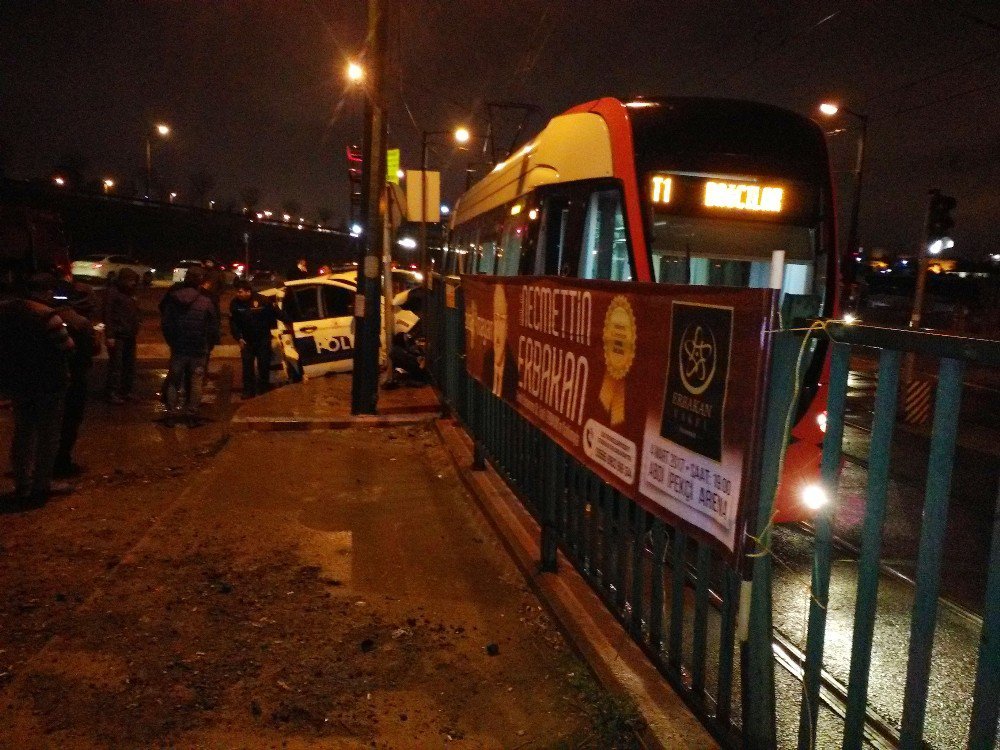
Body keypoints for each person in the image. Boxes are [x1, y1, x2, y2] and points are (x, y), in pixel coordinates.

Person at [0, 271, 75, 504]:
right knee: (47, 436)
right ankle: (41, 485)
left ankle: (22, 483)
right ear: (45, 292)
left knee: (23, 433)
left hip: (18, 381)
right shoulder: (46, 316)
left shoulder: (6, 311)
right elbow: (67, 346)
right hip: (48, 382)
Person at [52, 273, 100, 478]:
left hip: (48, 376)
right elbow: (93, 349)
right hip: (73, 376)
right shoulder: (80, 322)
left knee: (45, 422)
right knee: (69, 420)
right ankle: (60, 462)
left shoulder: (49, 314)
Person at [159, 266, 218, 427]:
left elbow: (166, 323)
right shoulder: (206, 301)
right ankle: (192, 415)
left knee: (174, 380)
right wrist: (208, 345)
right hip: (199, 348)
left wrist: (172, 341)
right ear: (200, 281)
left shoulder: (173, 298)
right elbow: (213, 327)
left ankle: (171, 413)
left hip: (179, 347)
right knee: (196, 381)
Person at [229, 279, 280, 397]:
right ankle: (248, 391)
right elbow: (233, 323)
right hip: (246, 341)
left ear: (248, 292)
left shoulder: (262, 300)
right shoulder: (235, 303)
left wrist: (291, 323)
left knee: (264, 366)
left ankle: (263, 392)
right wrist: (238, 338)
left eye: (240, 292)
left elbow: (277, 313)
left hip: (263, 339)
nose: (238, 294)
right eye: (237, 291)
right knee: (247, 368)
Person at [103, 268, 141, 404]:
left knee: (129, 365)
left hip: (129, 334)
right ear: (123, 280)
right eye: (131, 281)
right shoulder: (113, 292)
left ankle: (126, 391)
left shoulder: (130, 293)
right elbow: (107, 314)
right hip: (118, 335)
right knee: (116, 365)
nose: (133, 284)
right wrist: (110, 335)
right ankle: (112, 392)